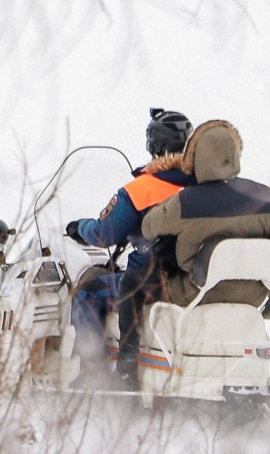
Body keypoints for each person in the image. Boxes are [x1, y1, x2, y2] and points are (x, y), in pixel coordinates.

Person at [65, 108, 193, 383]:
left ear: (153, 144)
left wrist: (79, 227)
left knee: (87, 292)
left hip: (148, 281)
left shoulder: (142, 189)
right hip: (191, 280)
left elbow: (103, 234)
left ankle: (93, 372)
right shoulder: (202, 187)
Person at [139, 118, 270, 312]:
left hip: (195, 293)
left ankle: (126, 341)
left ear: (196, 157)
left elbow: (148, 228)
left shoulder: (186, 200)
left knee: (135, 285)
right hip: (252, 297)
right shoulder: (265, 196)